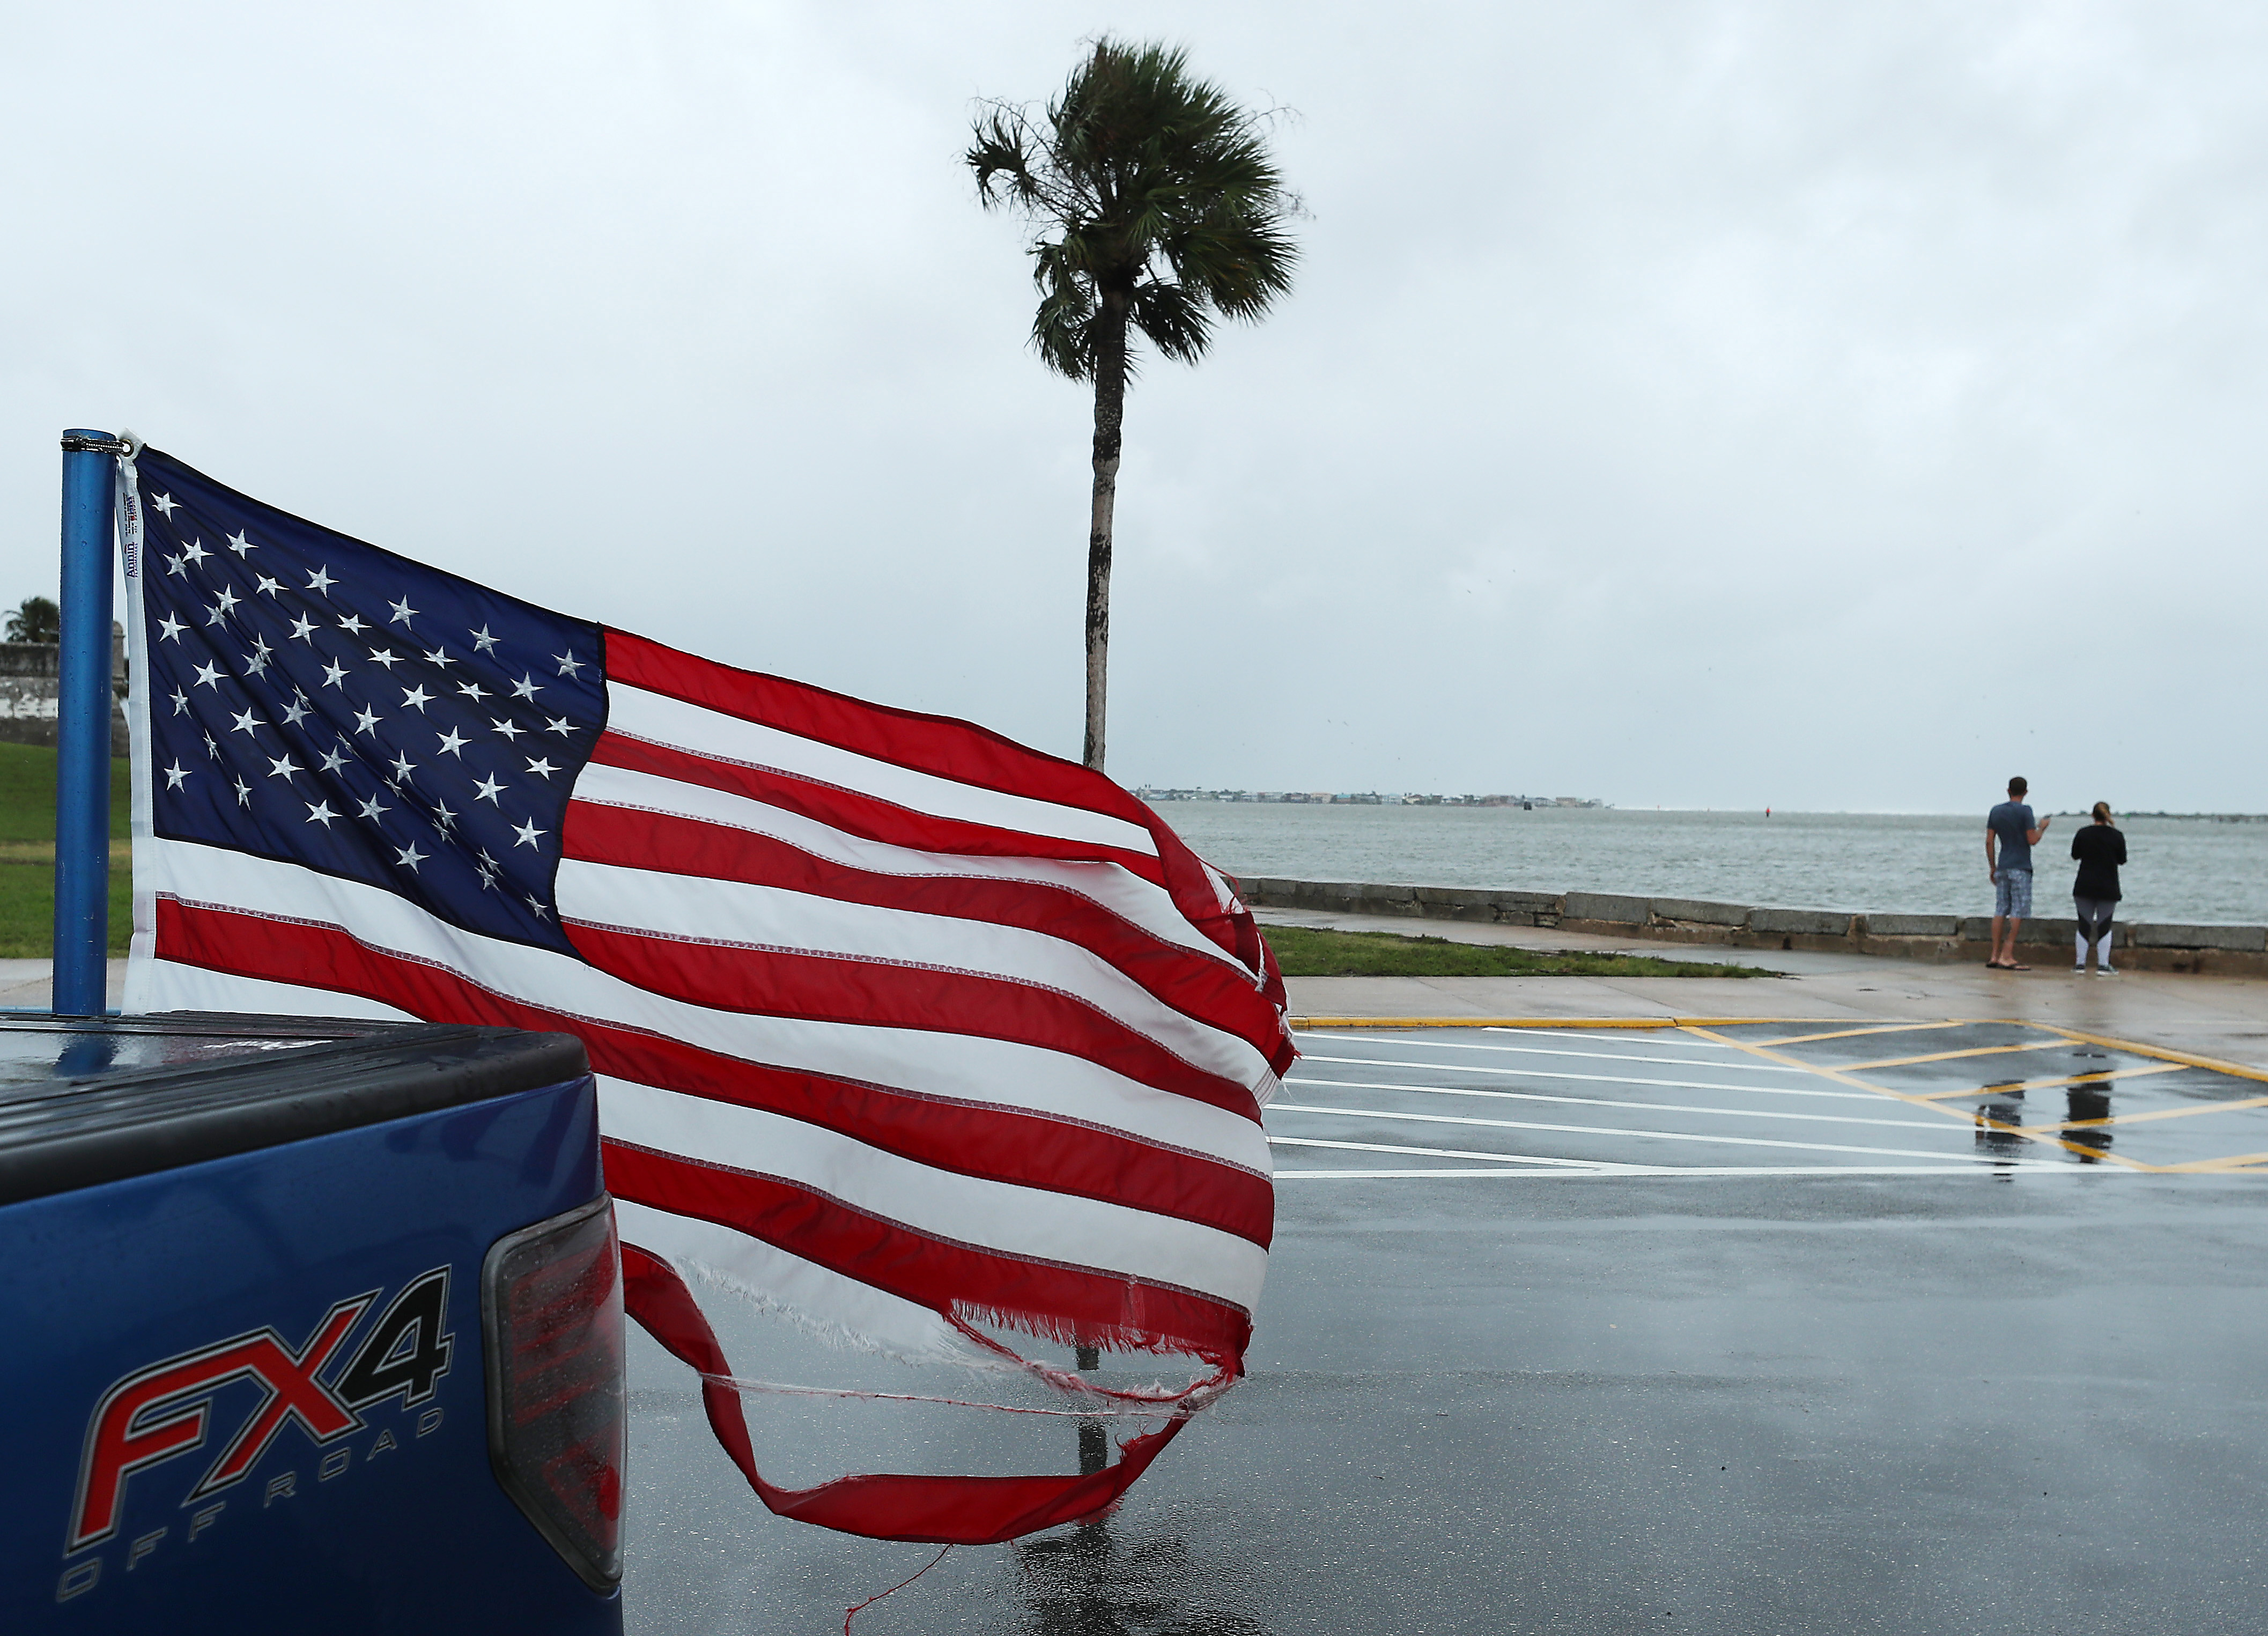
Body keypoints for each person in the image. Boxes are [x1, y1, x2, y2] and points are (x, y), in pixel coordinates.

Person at [1985, 776, 2049, 970]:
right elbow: (2033, 840)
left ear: (2008, 791)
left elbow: (1989, 841)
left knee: (2000, 909)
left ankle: (1994, 955)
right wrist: (2042, 828)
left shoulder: (1996, 811)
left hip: (2003, 865)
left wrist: (1993, 867)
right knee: (2018, 910)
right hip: (2020, 866)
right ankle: (2007, 954)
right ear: (2026, 792)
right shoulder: (2025, 811)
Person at [2071, 801, 2127, 975]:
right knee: (2104, 925)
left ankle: (2080, 964)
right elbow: (2122, 859)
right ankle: (2103, 965)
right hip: (2108, 886)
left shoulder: (2083, 833)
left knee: (2084, 924)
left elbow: (2075, 855)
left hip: (2085, 884)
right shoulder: (2117, 835)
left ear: (2093, 815)